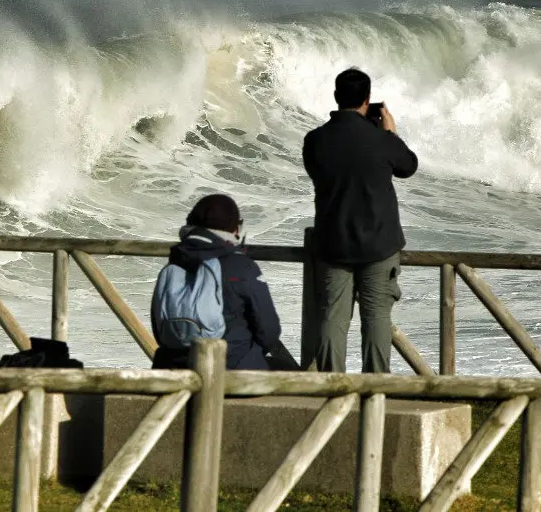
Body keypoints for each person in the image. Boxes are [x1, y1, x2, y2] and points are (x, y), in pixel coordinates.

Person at [301, 68, 419, 373]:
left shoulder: (315, 140)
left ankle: (333, 391)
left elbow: (317, 172)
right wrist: (390, 133)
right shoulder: (381, 140)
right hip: (379, 243)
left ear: (337, 97)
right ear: (368, 100)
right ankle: (376, 391)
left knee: (332, 318)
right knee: (377, 316)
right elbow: (407, 167)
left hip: (333, 242)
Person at [150, 194, 285, 370]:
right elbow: (269, 331)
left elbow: (160, 329)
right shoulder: (241, 266)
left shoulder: (174, 264)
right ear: (235, 229)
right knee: (283, 369)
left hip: (172, 372)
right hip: (229, 375)